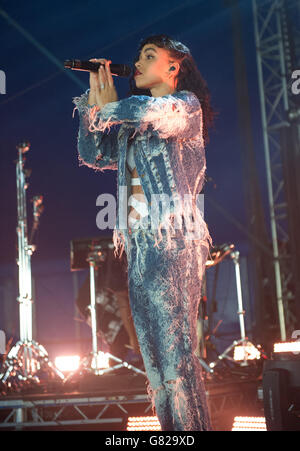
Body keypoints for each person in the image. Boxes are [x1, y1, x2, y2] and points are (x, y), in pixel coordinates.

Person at [73, 34, 216, 431]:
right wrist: (92, 103)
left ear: (174, 68)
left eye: (149, 56)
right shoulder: (130, 128)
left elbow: (148, 112)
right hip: (138, 247)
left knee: (176, 362)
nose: (137, 62)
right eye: (137, 56)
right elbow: (91, 152)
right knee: (154, 366)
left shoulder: (184, 108)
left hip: (173, 241)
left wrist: (111, 106)